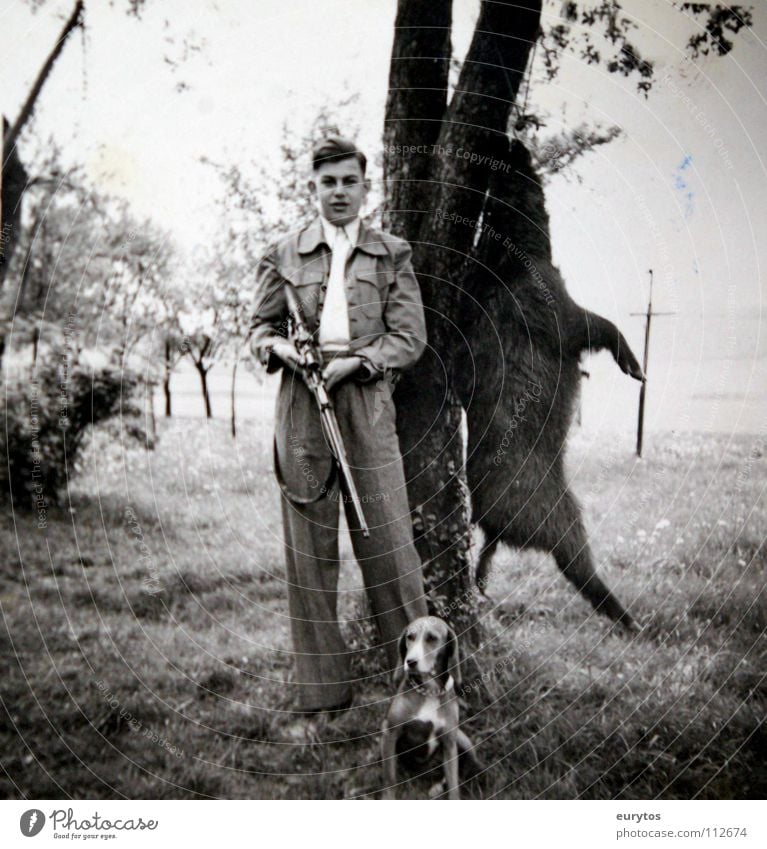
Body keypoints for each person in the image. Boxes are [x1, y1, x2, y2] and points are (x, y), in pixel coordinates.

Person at [250, 135, 428, 714]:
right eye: (328, 182)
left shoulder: (391, 252)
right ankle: (323, 695)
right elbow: (259, 330)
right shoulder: (282, 253)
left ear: (365, 186)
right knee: (309, 552)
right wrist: (284, 352)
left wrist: (359, 361)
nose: (339, 192)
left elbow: (409, 337)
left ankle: (420, 686)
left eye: (349, 181)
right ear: (313, 188)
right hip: (301, 403)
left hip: (365, 399)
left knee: (391, 542)